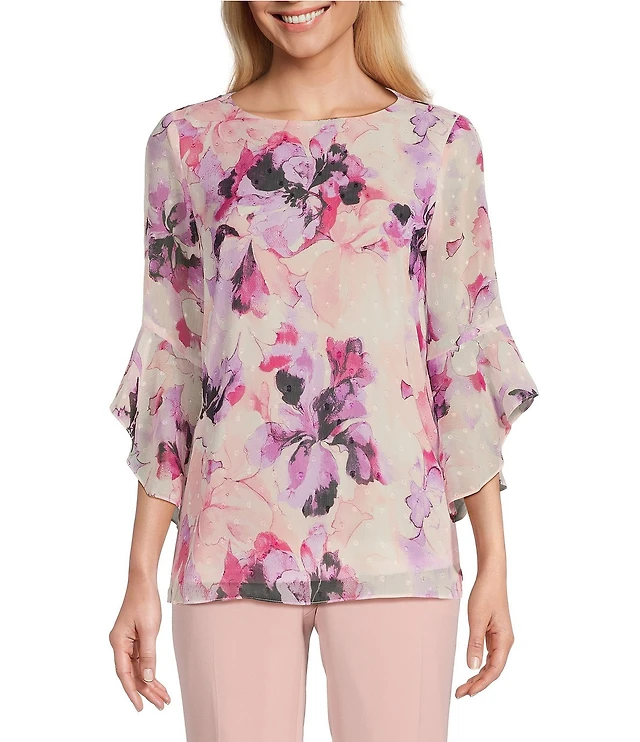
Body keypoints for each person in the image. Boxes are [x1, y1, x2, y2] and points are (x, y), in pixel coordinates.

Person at [107, 2, 539, 740]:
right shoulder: (187, 143)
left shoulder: (437, 145)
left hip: (399, 545)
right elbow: (175, 355)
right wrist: (139, 572)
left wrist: (494, 559)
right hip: (228, 544)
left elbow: (461, 353)